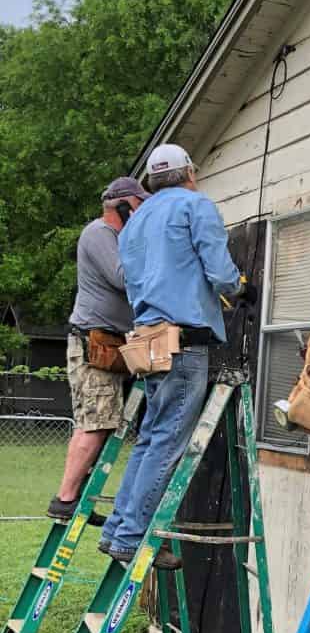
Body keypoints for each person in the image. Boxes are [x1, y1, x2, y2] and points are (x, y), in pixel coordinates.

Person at [98, 143, 244, 568]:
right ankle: (130, 537)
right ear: (190, 173)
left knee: (149, 439)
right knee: (166, 443)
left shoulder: (136, 220)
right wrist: (239, 287)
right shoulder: (195, 206)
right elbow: (220, 274)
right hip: (184, 341)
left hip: (148, 341)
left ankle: (116, 530)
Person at [48, 176, 150, 522]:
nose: (142, 212)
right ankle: (65, 499)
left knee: (99, 421)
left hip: (108, 343)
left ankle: (76, 493)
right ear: (123, 205)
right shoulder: (98, 233)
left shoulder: (118, 237)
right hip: (92, 342)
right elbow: (123, 276)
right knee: (95, 422)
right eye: (138, 206)